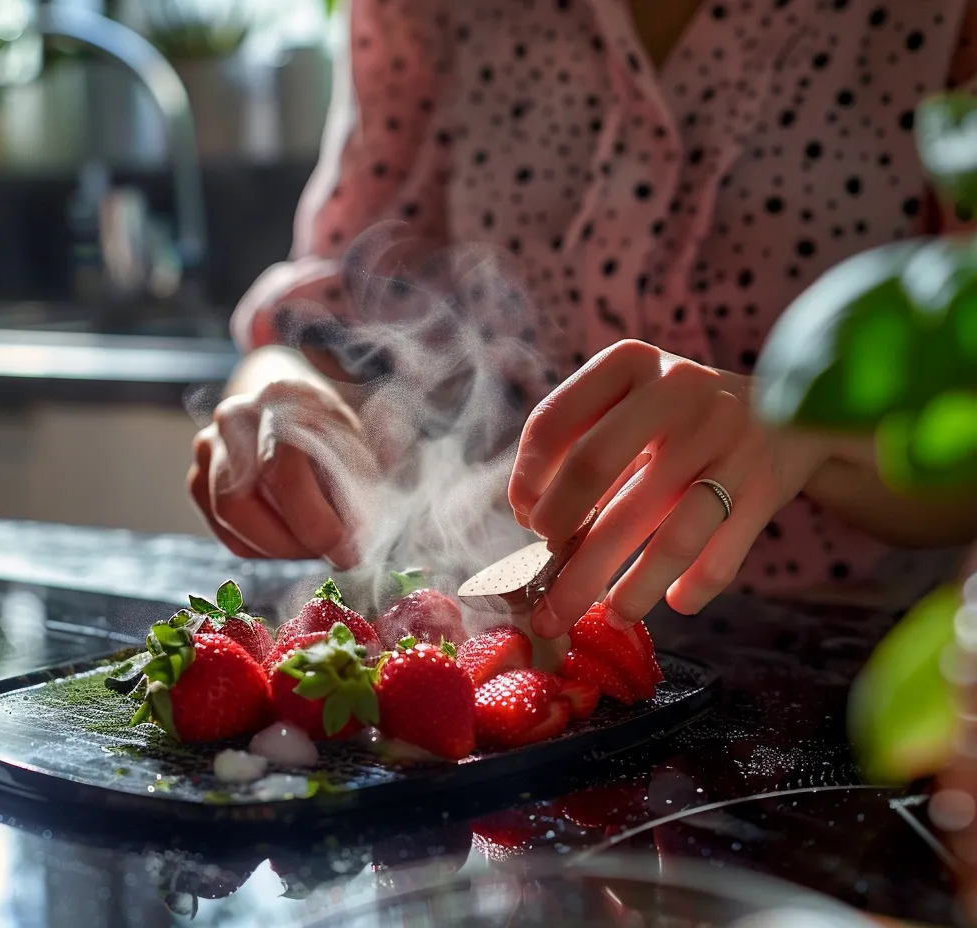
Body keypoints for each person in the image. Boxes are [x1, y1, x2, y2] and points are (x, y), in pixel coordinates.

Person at [189, 0, 977, 639]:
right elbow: (331, 320)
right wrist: (277, 396)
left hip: (857, 661)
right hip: (509, 643)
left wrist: (802, 432)